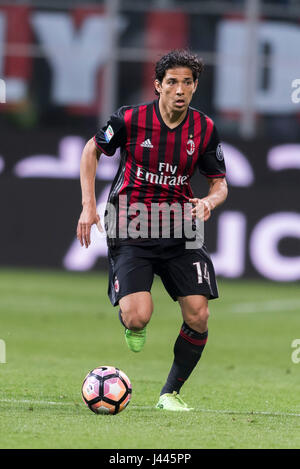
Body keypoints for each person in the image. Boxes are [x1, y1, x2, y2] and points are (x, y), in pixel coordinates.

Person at [77, 49, 228, 411]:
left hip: (181, 229)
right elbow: (91, 150)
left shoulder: (204, 128)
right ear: (158, 85)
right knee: (138, 314)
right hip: (132, 224)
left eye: (187, 83)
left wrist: (208, 201)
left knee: (199, 313)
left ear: (194, 87)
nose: (180, 90)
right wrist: (88, 205)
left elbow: (220, 183)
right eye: (172, 82)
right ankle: (132, 321)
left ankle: (169, 393)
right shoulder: (130, 119)